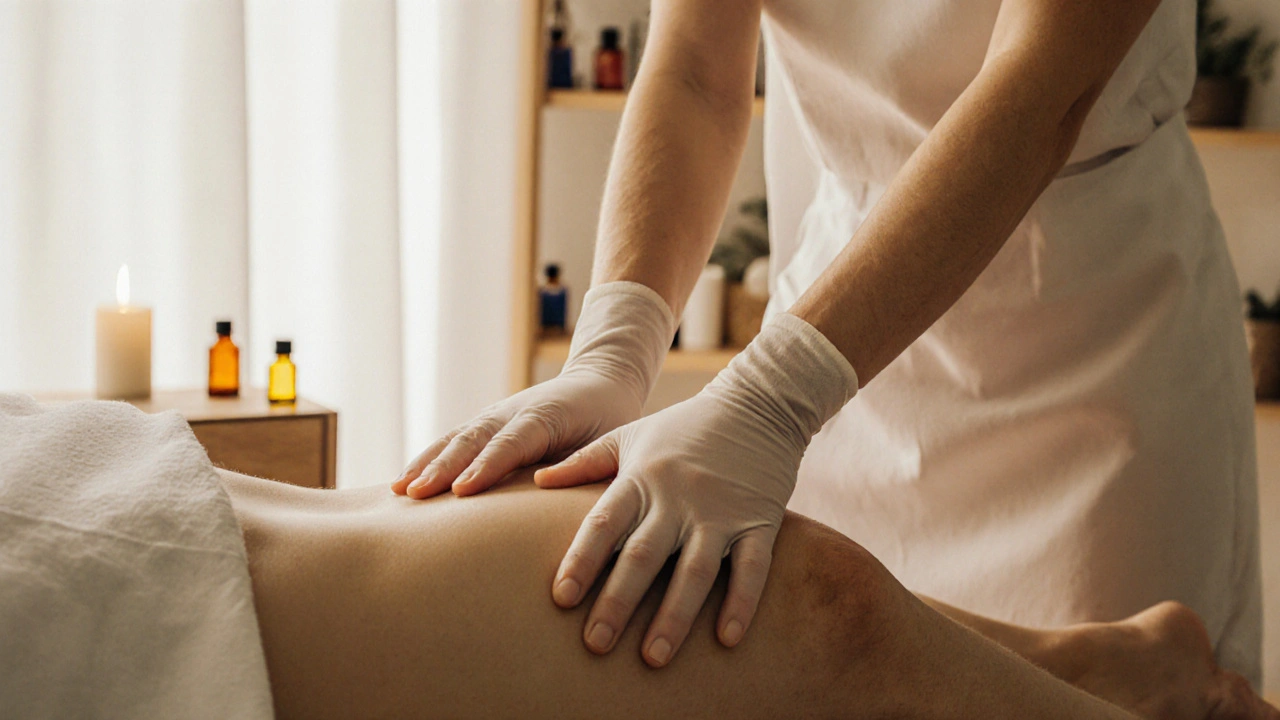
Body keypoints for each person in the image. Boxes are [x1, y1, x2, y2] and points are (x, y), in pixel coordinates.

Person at [394, 0, 1261, 686]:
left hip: (1093, 335)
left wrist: (771, 399)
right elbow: (694, 69)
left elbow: (1045, 83)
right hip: (843, 316)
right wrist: (614, 350)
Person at [228, 466, 1276, 719]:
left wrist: (783, 381)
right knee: (812, 617)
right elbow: (688, 71)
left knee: (814, 611)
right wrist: (618, 330)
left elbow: (1041, 92)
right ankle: (1084, 666)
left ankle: (1095, 667)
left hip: (1083, 271)